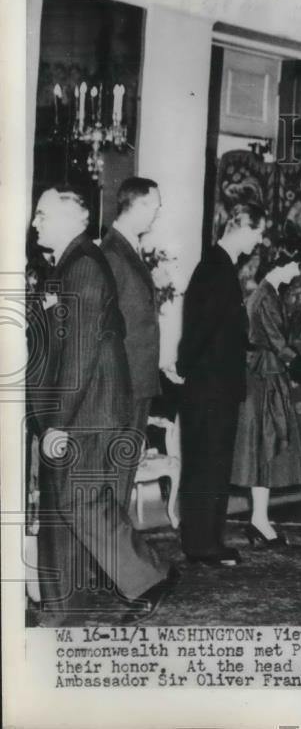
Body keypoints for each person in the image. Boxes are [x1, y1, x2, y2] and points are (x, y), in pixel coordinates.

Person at [30, 189, 173, 624]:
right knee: (59, 508)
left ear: (75, 219)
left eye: (42, 214)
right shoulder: (69, 264)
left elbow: (80, 354)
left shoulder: (86, 267)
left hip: (89, 410)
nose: (34, 222)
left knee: (83, 500)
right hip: (78, 407)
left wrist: (58, 423)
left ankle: (149, 578)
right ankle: (60, 609)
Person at [231, 238, 301, 546]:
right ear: (280, 265)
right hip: (262, 379)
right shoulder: (264, 295)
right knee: (265, 446)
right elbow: (281, 347)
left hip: (267, 377)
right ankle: (259, 522)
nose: (297, 271)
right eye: (294, 265)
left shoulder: (269, 292)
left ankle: (259, 520)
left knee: (266, 449)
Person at [176, 202, 265, 566]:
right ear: (242, 227)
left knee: (211, 464)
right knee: (208, 465)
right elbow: (202, 329)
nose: (260, 239)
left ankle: (206, 540)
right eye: (258, 231)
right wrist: (185, 368)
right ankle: (202, 544)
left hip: (213, 383)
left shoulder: (218, 265)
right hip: (210, 385)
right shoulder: (216, 267)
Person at [100, 177, 164, 502]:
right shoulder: (112, 253)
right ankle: (110, 546)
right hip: (122, 383)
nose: (157, 213)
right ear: (137, 205)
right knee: (116, 472)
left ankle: (117, 542)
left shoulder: (127, 249)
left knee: (124, 471)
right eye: (154, 206)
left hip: (136, 380)